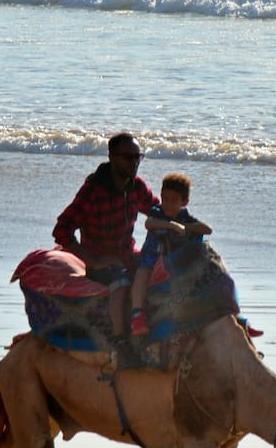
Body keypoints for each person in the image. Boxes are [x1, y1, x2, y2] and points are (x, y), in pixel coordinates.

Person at [52, 132, 160, 330]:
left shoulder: (137, 187)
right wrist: (93, 261)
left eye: (138, 157)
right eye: (128, 157)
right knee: (123, 284)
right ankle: (120, 342)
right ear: (111, 157)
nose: (134, 162)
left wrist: (183, 225)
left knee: (163, 274)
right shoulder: (93, 190)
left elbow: (158, 212)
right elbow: (62, 229)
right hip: (101, 264)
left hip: (127, 257)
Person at [122, 171, 212, 338]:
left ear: (184, 202)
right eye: (165, 199)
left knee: (208, 270)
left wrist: (186, 226)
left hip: (173, 259)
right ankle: (137, 314)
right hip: (150, 258)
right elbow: (149, 223)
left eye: (174, 200)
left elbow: (207, 229)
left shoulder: (184, 216)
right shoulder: (157, 212)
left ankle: (227, 314)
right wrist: (171, 225)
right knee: (141, 275)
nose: (168, 205)